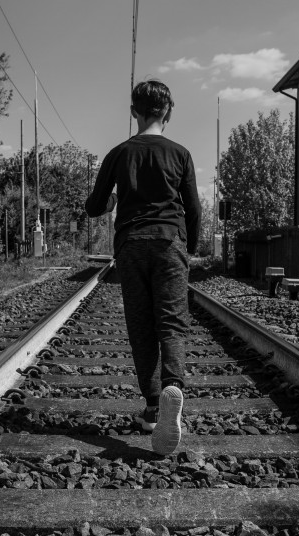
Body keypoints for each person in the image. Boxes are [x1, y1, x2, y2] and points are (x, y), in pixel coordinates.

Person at [85, 80, 201, 455]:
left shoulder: (119, 153)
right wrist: (189, 250)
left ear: (134, 112)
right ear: (168, 112)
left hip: (131, 245)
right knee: (172, 321)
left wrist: (113, 199)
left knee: (141, 324)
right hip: (170, 242)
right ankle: (173, 387)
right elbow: (194, 209)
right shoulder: (181, 154)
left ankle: (153, 407)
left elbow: (94, 206)